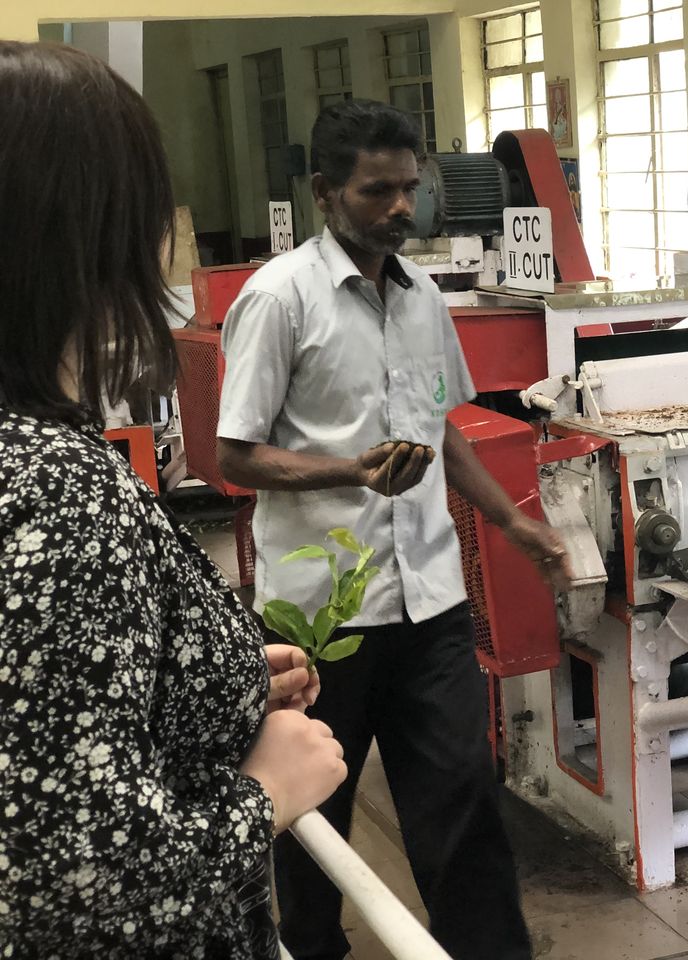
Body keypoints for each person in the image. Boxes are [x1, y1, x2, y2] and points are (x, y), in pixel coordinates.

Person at [0, 41, 347, 959]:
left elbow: (38, 714)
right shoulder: (60, 493)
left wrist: (201, 681)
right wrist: (266, 797)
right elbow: (75, 886)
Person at [216, 98, 571, 960]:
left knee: (463, 798)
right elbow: (235, 455)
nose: (401, 207)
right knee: (312, 813)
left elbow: (441, 427)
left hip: (431, 601)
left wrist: (512, 522)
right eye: (378, 191)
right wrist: (352, 470)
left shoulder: (422, 300)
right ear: (324, 192)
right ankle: (309, 948)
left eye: (410, 188)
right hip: (320, 616)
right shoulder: (280, 298)